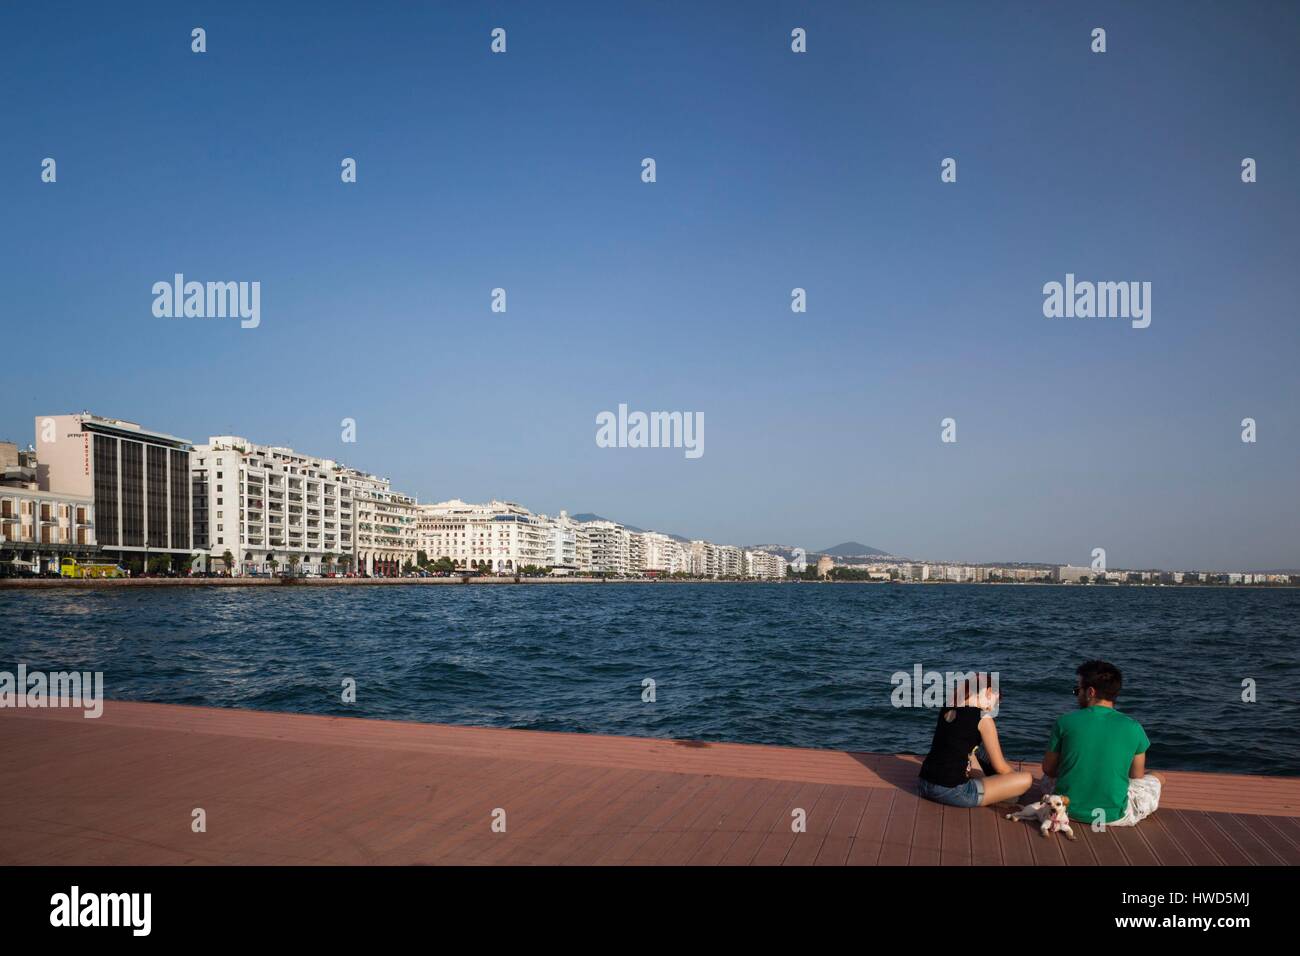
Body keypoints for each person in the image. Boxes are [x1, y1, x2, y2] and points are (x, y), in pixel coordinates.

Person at [1040, 660, 1162, 827]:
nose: (1077, 695)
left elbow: (1048, 770)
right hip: (1112, 815)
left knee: (1046, 779)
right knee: (1156, 778)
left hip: (1066, 811)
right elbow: (1136, 776)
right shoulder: (1134, 727)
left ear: (1090, 692)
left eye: (1078, 690)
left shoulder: (1064, 722)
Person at [917, 673, 1033, 808]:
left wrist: (989, 782)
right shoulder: (984, 718)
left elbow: (967, 753)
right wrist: (1013, 782)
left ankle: (989, 789)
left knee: (974, 753)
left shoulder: (949, 706)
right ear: (989, 691)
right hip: (953, 791)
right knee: (1025, 780)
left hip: (924, 783)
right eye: (997, 701)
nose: (993, 708)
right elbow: (1001, 768)